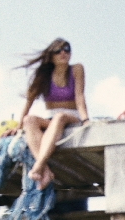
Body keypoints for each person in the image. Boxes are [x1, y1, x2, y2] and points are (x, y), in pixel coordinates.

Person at [6, 38, 89, 189]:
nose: (63, 53)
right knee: (29, 120)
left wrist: (85, 120)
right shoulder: (43, 75)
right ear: (51, 55)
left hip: (71, 117)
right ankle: (45, 170)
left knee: (60, 117)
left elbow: (80, 96)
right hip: (51, 118)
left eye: (67, 49)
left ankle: (38, 167)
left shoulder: (76, 69)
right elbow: (28, 102)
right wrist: (18, 127)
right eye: (58, 50)